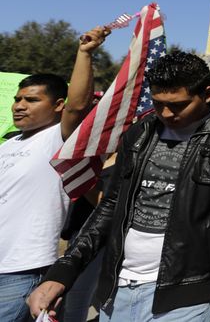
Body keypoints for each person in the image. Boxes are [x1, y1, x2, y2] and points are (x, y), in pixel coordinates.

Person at [28, 51, 210, 322]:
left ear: (207, 94)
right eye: (159, 104)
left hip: (187, 295)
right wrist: (65, 268)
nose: (167, 113)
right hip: (118, 289)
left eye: (179, 105)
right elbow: (110, 206)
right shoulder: (140, 133)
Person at [0, 26, 108, 322]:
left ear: (58, 106)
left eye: (32, 100)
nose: (19, 106)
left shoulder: (58, 139)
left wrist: (84, 53)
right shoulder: (9, 144)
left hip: (22, 271)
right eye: (18, 99)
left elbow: (78, 104)